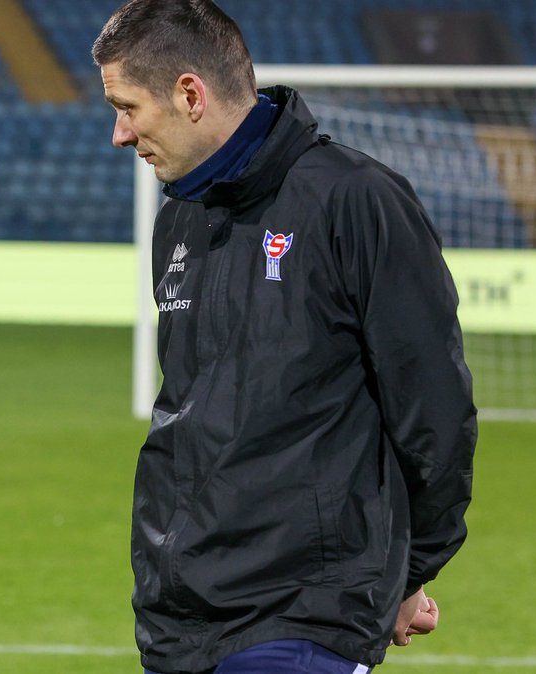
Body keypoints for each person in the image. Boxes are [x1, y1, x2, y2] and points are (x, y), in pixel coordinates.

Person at [92, 1, 477, 673]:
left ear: (190, 95)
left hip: (305, 616)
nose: (120, 135)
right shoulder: (179, 221)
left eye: (127, 108)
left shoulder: (355, 200)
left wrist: (407, 571)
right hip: (180, 616)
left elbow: (434, 413)